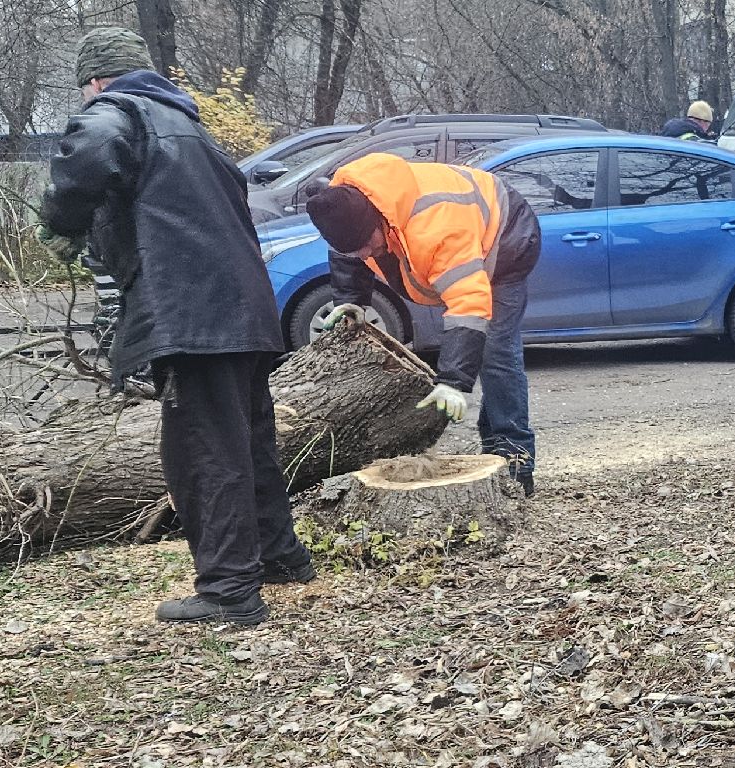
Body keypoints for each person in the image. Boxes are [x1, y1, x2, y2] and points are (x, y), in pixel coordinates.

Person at [40, 27, 308, 627]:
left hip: (193, 314)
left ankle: (230, 591)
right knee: (248, 441)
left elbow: (89, 154)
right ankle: (280, 558)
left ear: (96, 81)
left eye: (88, 89)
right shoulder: (192, 127)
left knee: (203, 451)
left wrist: (63, 218)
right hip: (243, 309)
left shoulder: (118, 111)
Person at [305, 153, 543, 493]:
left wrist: (453, 381)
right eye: (354, 251)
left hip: (505, 238)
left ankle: (515, 457)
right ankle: (497, 440)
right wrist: (350, 304)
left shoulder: (436, 227)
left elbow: (468, 303)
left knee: (495, 350)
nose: (362, 255)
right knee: (486, 350)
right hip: (454, 232)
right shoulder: (343, 206)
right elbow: (346, 253)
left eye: (365, 246)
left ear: (381, 222)